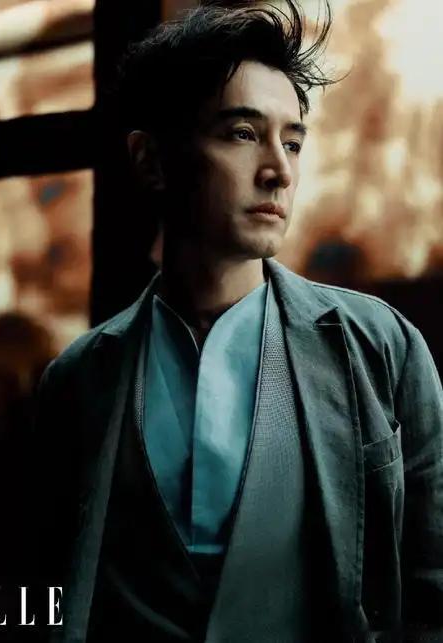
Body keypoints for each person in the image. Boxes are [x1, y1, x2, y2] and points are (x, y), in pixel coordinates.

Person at [32, 2, 443, 642]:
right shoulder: (79, 379)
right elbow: (37, 593)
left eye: (293, 142)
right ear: (152, 159)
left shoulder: (381, 348)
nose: (279, 171)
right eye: (243, 134)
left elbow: (432, 588)